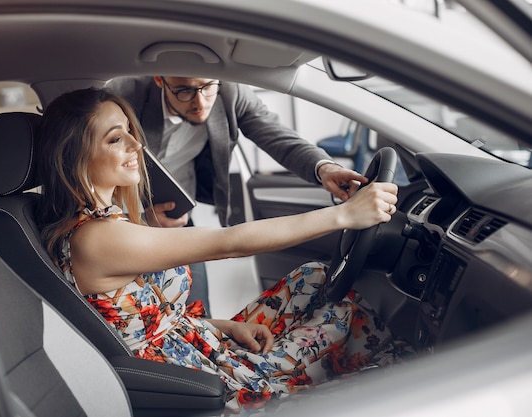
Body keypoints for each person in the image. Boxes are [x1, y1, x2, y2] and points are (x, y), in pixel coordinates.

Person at [35, 87, 414, 415]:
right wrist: (344, 214)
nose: (137, 145)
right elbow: (228, 242)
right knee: (384, 366)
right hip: (197, 381)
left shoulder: (108, 220)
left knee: (313, 277)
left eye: (132, 132)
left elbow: (146, 316)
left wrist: (224, 326)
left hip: (202, 344)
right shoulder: (96, 237)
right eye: (116, 139)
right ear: (75, 155)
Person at [106, 76, 366, 310]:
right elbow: (91, 169)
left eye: (207, 87)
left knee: (196, 308)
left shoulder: (230, 91)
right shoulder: (124, 96)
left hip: (178, 217)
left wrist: (324, 168)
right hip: (122, 221)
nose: (200, 102)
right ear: (160, 81)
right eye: (184, 91)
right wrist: (136, 216)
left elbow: (275, 134)